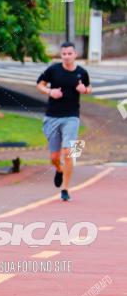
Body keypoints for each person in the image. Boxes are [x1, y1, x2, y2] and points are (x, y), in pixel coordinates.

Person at [36, 42, 91, 201]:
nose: (67, 56)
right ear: (61, 56)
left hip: (72, 117)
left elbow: (89, 87)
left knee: (68, 152)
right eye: (64, 54)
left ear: (75, 55)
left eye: (69, 53)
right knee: (54, 157)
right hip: (52, 116)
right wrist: (50, 91)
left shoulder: (82, 73)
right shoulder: (53, 70)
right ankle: (58, 169)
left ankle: (65, 189)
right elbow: (39, 84)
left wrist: (85, 90)